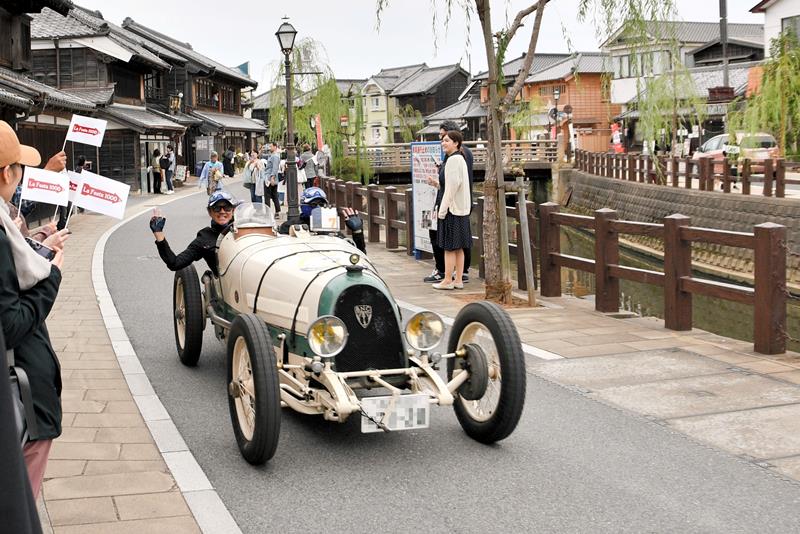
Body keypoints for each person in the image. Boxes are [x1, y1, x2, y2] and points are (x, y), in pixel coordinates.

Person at [0, 120, 65, 499]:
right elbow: (9, 324)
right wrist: (52, 275)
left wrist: (38, 246)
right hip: (18, 397)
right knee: (18, 503)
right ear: (8, 172)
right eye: (20, 167)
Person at [424, 121, 473, 284]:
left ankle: (446, 278)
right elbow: (454, 184)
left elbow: (451, 188)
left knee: (449, 246)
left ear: (455, 141)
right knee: (459, 246)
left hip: (451, 209)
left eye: (445, 139)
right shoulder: (460, 157)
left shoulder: (453, 159)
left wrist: (442, 211)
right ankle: (458, 279)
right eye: (441, 139)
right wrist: (437, 183)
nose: (442, 142)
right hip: (461, 208)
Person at [150, 190, 237, 276]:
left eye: (227, 208)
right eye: (217, 208)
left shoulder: (243, 228)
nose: (222, 211)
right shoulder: (205, 238)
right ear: (210, 212)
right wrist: (158, 233)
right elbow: (175, 263)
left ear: (233, 211)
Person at [261, 142, 281, 214]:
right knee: (274, 195)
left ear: (275, 147)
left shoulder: (275, 156)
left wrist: (272, 177)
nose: (269, 148)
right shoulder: (272, 155)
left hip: (270, 178)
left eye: (271, 146)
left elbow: (275, 168)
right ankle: (277, 211)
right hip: (270, 177)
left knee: (268, 196)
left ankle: (268, 212)